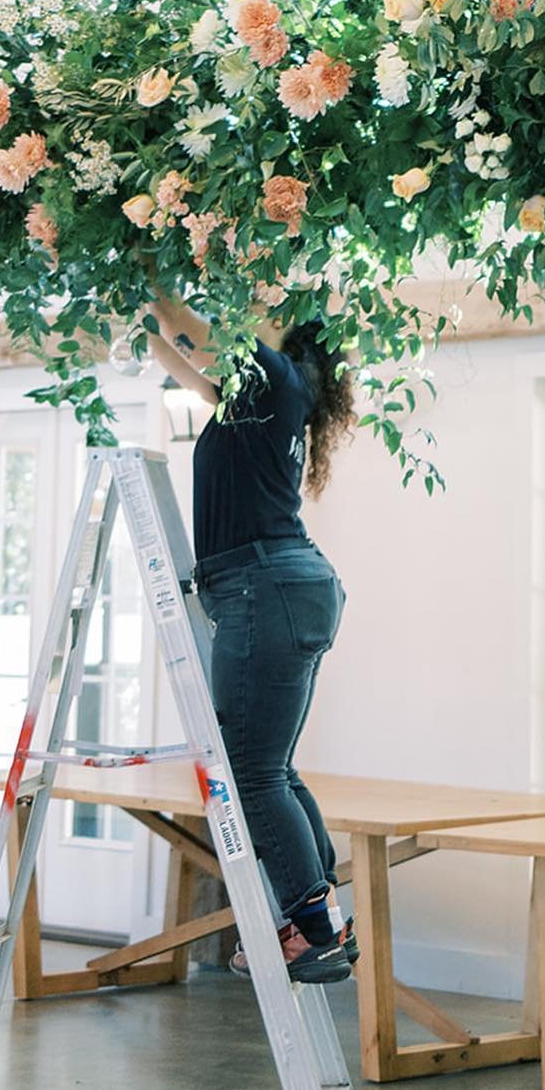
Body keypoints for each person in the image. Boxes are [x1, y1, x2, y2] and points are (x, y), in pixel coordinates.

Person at [191, 321, 356, 984]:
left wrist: (149, 274)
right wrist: (142, 314)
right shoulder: (260, 403)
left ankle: (312, 931)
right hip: (285, 584)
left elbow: (208, 330)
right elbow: (189, 357)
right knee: (273, 770)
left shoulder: (277, 379)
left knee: (251, 773)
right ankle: (324, 923)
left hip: (265, 586)